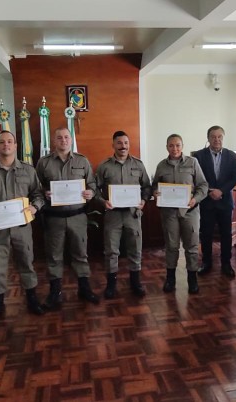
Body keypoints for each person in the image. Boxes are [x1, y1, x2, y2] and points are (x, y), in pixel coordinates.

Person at [0, 130, 46, 322]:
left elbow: (38, 194)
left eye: (10, 141)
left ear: (15, 146)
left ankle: (31, 298)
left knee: (26, 262)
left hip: (22, 227)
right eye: (2, 142)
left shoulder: (28, 171)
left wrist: (35, 207)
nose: (6, 145)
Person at [35, 127, 100, 309]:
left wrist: (91, 192)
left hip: (77, 216)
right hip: (54, 218)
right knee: (54, 256)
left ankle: (84, 288)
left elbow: (92, 183)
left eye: (66, 137)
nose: (63, 140)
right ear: (54, 141)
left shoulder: (82, 160)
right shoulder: (44, 163)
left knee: (80, 253)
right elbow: (36, 187)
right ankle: (55, 292)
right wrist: (44, 193)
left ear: (71, 140)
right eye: (59, 138)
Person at [95, 131, 152, 299]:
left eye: (126, 143)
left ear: (129, 144)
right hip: (112, 214)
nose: (123, 146)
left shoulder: (138, 165)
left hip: (132, 214)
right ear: (113, 145)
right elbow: (95, 189)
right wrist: (102, 201)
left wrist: (143, 200)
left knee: (135, 248)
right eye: (119, 143)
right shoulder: (104, 166)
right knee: (111, 250)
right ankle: (111, 285)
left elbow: (147, 187)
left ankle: (135, 282)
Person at [153, 134, 209, 294]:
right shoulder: (161, 166)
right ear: (166, 147)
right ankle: (170, 278)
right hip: (169, 213)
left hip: (190, 211)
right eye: (171, 145)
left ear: (182, 146)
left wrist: (195, 199)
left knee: (192, 246)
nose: (174, 149)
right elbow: (154, 185)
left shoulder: (193, 162)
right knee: (171, 246)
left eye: (177, 145)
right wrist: (156, 192)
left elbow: (203, 185)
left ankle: (192, 278)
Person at [194, 126, 236, 277]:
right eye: (213, 137)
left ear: (223, 138)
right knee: (206, 234)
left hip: (225, 201)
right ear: (208, 138)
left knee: (226, 234)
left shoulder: (232, 156)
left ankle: (226, 263)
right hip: (206, 202)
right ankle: (206, 262)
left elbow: (235, 177)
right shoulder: (198, 156)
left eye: (220, 136)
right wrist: (209, 191)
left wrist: (221, 191)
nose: (217, 139)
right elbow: (196, 179)